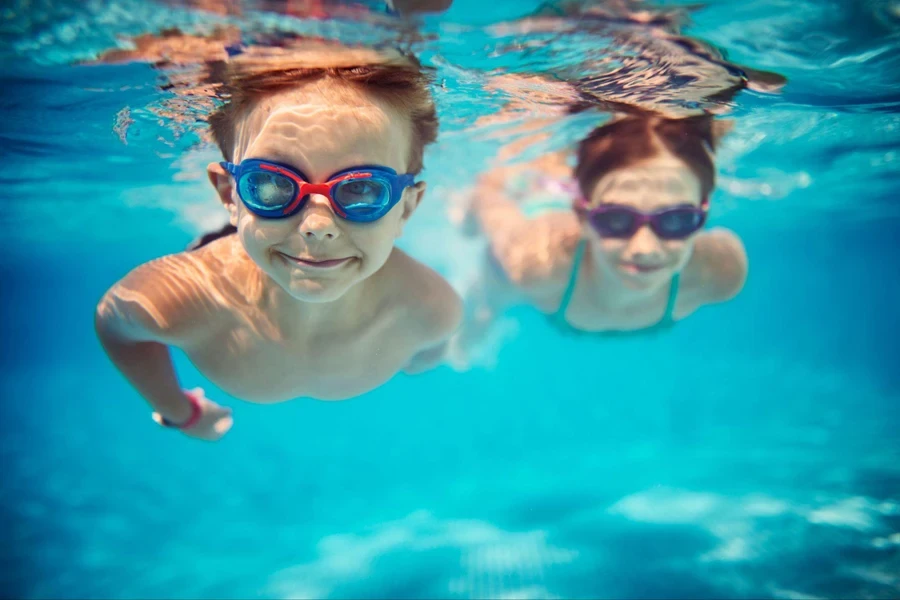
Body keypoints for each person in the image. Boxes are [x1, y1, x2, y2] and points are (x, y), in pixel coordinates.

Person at [95, 42, 462, 441]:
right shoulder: (179, 300)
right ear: (228, 195)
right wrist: (178, 411)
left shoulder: (431, 310)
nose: (317, 226)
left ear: (406, 209)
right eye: (270, 183)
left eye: (361, 191)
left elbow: (431, 352)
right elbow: (115, 326)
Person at [455, 114, 746, 356]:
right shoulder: (536, 260)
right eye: (616, 219)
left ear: (703, 215)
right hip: (535, 221)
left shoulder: (720, 272)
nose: (645, 248)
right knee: (487, 304)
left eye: (677, 220)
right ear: (581, 217)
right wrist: (469, 222)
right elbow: (487, 197)